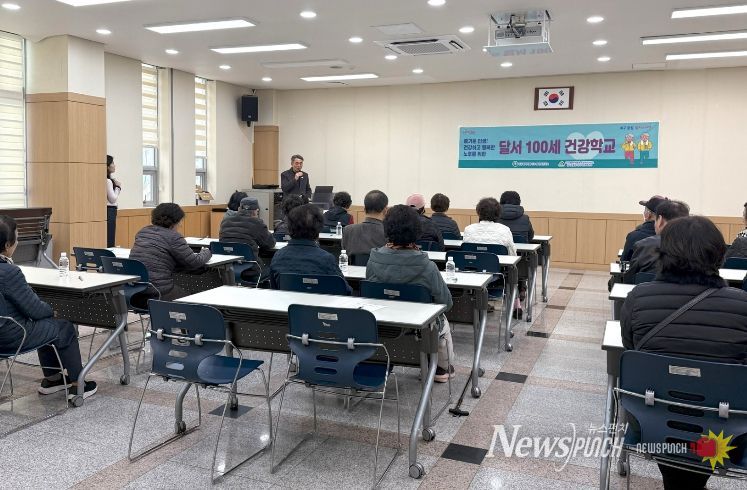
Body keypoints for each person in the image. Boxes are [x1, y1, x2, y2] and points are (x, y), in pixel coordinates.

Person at [621, 216, 747, 489]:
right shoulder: (742, 305)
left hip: (653, 424)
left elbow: (632, 351)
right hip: (726, 432)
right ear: (719, 255)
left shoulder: (638, 298)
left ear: (663, 252)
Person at [0, 215, 97, 399]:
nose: (17, 243)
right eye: (16, 239)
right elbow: (35, 309)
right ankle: (78, 385)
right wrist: (52, 310)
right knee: (64, 327)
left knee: (44, 324)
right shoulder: (10, 272)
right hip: (10, 336)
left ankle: (53, 379)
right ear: (7, 245)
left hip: (4, 331)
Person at [366, 205, 455, 383]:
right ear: (417, 231)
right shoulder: (427, 266)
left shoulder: (373, 260)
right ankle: (440, 368)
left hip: (384, 325)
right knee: (441, 319)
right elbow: (446, 303)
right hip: (421, 331)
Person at [130, 203, 212, 301]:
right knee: (193, 299)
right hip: (157, 291)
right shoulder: (174, 237)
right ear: (175, 221)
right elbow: (194, 262)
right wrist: (207, 251)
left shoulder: (143, 232)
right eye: (180, 221)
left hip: (135, 289)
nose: (181, 225)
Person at [270, 204, 351, 293]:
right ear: (319, 229)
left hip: (286, 301)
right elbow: (345, 291)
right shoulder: (326, 259)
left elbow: (274, 289)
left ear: (289, 228)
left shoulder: (278, 257)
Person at [623, 200, 690, 284]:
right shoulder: (695, 246)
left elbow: (629, 280)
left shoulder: (644, 245)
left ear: (660, 220)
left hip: (648, 291)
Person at [219, 197, 276, 280]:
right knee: (274, 270)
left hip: (227, 270)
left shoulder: (225, 222)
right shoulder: (257, 223)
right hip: (251, 271)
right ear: (256, 211)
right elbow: (270, 244)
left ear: (239, 209)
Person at [342, 190, 388, 257]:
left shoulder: (348, 230)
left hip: (352, 264)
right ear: (385, 210)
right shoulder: (388, 233)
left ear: (364, 209)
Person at [620, 195, 666, 262]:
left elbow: (624, 262)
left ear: (648, 215)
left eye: (645, 210)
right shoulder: (673, 237)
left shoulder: (634, 236)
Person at [106, 155, 121, 248]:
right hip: (110, 210)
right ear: (107, 166)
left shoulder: (107, 180)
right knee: (110, 237)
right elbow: (112, 199)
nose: (114, 165)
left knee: (108, 236)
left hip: (108, 210)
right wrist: (118, 187)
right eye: (112, 163)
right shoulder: (108, 181)